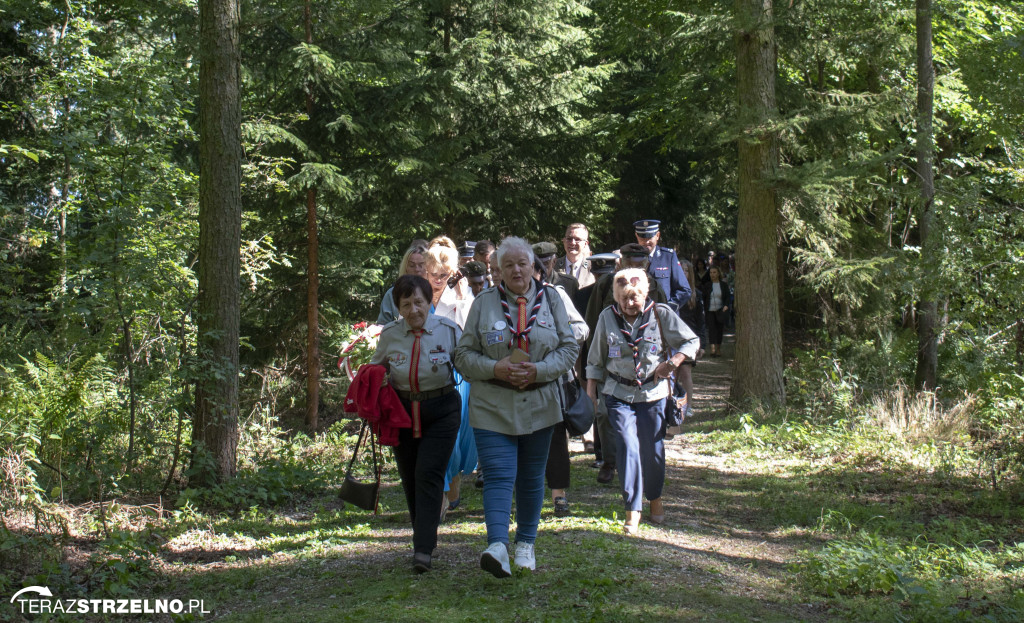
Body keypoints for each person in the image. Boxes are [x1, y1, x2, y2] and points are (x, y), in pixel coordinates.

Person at [454, 237, 580, 577]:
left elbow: (569, 349)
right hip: (492, 405)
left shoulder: (551, 299)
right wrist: (495, 368)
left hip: (540, 403)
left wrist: (538, 370)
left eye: (522, 263)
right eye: (508, 265)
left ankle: (525, 544)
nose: (516, 270)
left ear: (534, 267)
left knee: (530, 475)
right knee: (498, 475)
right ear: (499, 271)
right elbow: (463, 355)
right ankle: (497, 545)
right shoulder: (484, 303)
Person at [586, 268, 699, 534]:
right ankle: (632, 508)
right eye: (623, 297)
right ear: (616, 297)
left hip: (653, 393)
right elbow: (595, 358)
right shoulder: (606, 318)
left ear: (645, 293)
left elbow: (691, 342)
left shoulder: (660, 314)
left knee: (652, 449)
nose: (629, 302)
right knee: (627, 446)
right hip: (618, 393)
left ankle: (655, 498)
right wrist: (590, 391)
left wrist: (671, 364)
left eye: (634, 296)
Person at [369, 274, 462, 573]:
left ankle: (423, 548)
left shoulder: (448, 331)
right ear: (398, 307)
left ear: (429, 303)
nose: (413, 311)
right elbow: (376, 366)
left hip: (442, 409)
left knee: (428, 472)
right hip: (403, 413)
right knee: (409, 476)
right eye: (406, 304)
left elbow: (469, 364)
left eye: (419, 303)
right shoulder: (391, 334)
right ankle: (422, 534)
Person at [584, 244, 667, 485]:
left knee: (645, 418)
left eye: (639, 262)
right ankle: (609, 461)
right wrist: (589, 368)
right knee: (604, 413)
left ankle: (639, 462)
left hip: (647, 365)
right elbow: (592, 325)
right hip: (612, 361)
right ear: (621, 262)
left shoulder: (653, 286)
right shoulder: (606, 285)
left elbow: (665, 319)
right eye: (630, 261)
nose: (634, 267)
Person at [532, 253, 589, 519]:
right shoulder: (496, 301)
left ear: (539, 272)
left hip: (553, 379)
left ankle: (558, 495)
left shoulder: (554, 295)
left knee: (555, 438)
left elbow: (581, 328)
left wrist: (557, 342)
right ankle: (525, 495)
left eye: (527, 268)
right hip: (514, 380)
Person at [633, 220, 690, 311]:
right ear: (636, 235)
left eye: (649, 237)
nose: (646, 242)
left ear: (657, 236)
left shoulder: (668, 257)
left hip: (663, 318)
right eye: (642, 238)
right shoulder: (630, 259)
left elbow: (684, 290)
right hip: (639, 317)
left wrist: (668, 308)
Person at [675, 261, 705, 420]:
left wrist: (703, 343)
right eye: (681, 270)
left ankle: (689, 406)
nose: (684, 273)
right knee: (672, 372)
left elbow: (701, 321)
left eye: (686, 270)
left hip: (690, 338)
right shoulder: (673, 292)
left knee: (686, 372)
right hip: (673, 338)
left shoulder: (696, 294)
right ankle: (672, 405)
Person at [377, 241, 429, 324]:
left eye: (421, 265)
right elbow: (382, 326)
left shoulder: (437, 293)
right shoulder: (392, 294)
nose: (417, 269)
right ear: (405, 268)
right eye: (412, 265)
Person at [702, 265, 731, 357]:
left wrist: (726, 305)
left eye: (714, 272)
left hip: (720, 310)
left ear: (718, 273)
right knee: (711, 329)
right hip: (710, 310)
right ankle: (712, 349)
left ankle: (718, 348)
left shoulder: (723, 285)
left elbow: (727, 297)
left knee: (719, 330)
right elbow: (704, 297)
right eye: (711, 273)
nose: (712, 274)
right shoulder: (707, 285)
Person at [558, 223, 595, 288]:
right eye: (569, 239)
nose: (572, 243)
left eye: (577, 239)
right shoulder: (554, 265)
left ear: (585, 243)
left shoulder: (593, 267)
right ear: (564, 241)